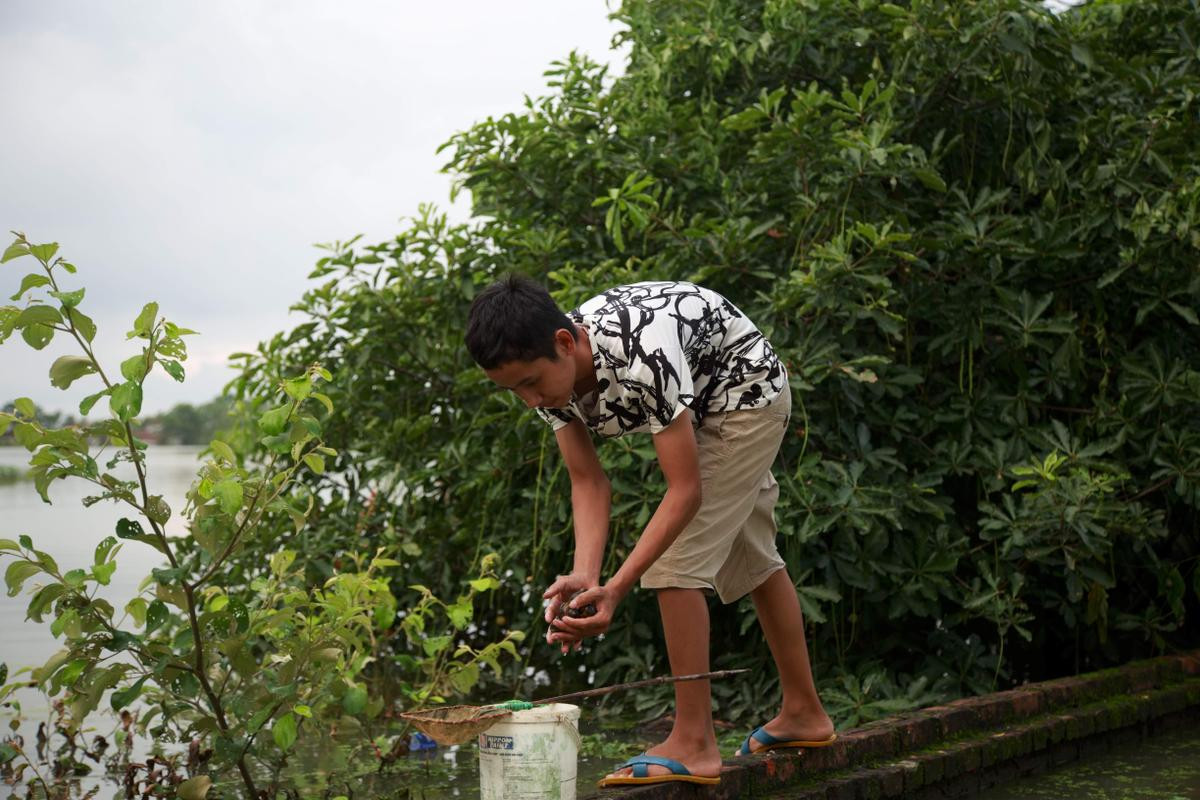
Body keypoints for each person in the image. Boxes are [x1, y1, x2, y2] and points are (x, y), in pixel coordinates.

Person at [465, 276, 835, 787]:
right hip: (705, 404)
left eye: (529, 384)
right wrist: (585, 574)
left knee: (672, 567)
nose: (529, 401)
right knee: (752, 559)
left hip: (745, 396)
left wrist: (617, 587)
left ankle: (695, 742)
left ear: (565, 343)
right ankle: (804, 713)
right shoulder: (549, 374)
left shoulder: (642, 354)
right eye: (513, 391)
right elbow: (589, 482)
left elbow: (685, 491)